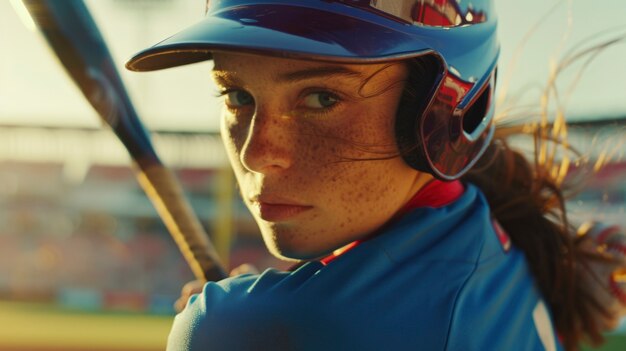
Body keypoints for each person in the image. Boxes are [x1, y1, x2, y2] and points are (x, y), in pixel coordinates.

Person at [126, 1, 626, 350]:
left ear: (439, 111)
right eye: (237, 96)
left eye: (322, 98)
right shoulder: (486, 228)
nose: (259, 154)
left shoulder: (238, 327)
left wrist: (237, 324)